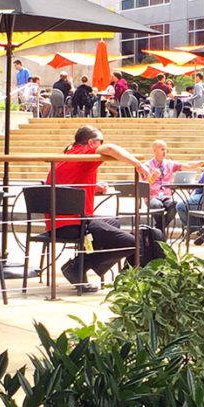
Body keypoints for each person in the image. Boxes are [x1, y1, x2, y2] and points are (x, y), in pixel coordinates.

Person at [46, 125, 151, 291]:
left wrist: (95, 187)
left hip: (59, 222)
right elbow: (110, 149)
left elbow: (69, 186)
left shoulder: (65, 158)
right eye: (100, 141)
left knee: (113, 223)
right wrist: (138, 164)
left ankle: (80, 268)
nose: (102, 144)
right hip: (75, 223)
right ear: (91, 143)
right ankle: (76, 267)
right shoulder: (85, 156)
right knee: (132, 242)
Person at [146, 140, 204, 232]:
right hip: (153, 196)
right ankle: (159, 231)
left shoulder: (169, 164)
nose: (164, 152)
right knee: (156, 205)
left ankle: (159, 228)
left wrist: (202, 162)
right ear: (154, 150)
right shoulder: (147, 165)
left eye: (166, 150)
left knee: (175, 205)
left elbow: (187, 165)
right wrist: (152, 178)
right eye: (162, 149)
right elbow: (144, 184)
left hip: (166, 196)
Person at [176, 164, 204, 244]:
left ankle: (199, 229)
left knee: (181, 206)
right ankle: (202, 228)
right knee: (191, 205)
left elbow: (203, 183)